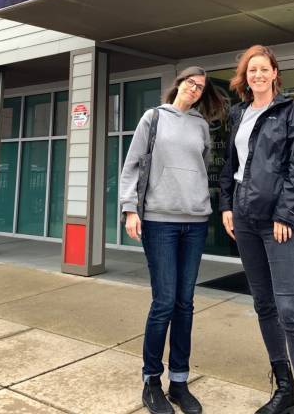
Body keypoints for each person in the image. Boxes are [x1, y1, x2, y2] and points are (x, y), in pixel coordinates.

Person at [220, 45, 294, 414]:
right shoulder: (239, 114)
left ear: (275, 73)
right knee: (263, 305)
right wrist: (226, 206)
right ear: (245, 77)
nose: (257, 75)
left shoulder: (291, 111)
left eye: (264, 69)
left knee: (289, 311)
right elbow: (232, 163)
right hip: (244, 220)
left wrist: (285, 214)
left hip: (278, 222)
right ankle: (285, 390)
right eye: (251, 70)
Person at [120, 66, 225, 414]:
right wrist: (130, 209)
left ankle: (179, 381)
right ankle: (152, 381)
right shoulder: (153, 118)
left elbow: (202, 165)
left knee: (185, 303)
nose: (194, 90)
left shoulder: (200, 126)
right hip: (159, 222)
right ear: (178, 84)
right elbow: (132, 165)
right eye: (190, 84)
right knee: (164, 301)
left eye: (200, 88)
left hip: (194, 221)